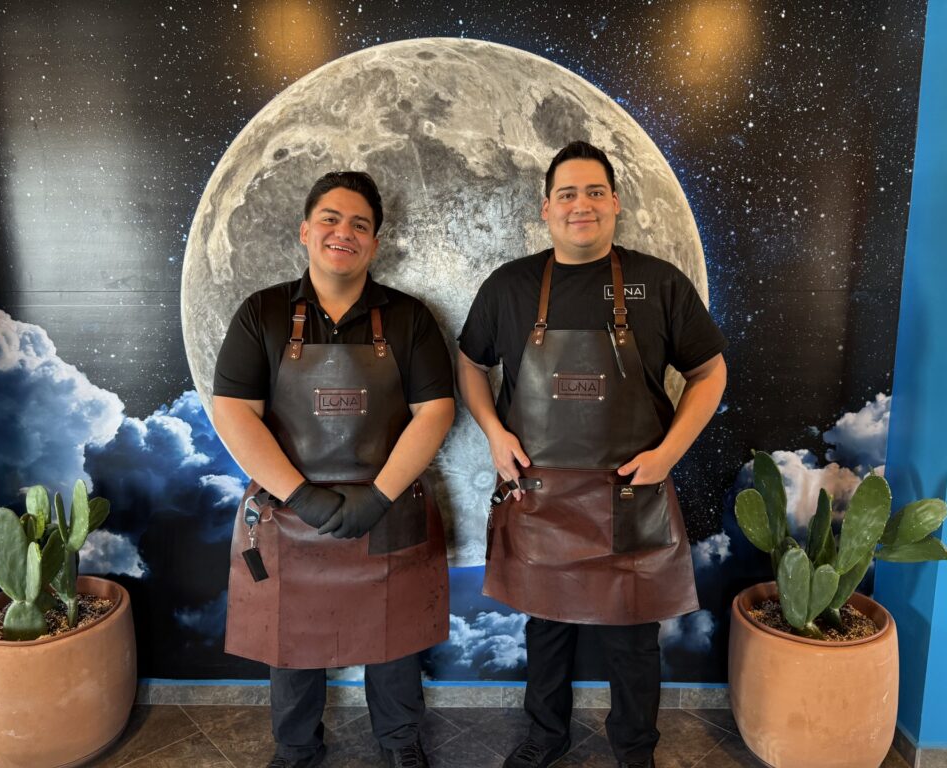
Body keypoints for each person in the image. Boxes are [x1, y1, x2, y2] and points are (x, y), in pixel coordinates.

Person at [457, 142, 727, 768]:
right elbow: (471, 363)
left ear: (616, 204)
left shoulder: (658, 283)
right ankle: (543, 739)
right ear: (547, 208)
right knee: (546, 631)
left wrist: (668, 453)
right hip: (539, 495)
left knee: (633, 638)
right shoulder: (510, 286)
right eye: (568, 194)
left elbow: (710, 372)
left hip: (630, 492)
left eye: (595, 192)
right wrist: (494, 433)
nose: (582, 205)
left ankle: (635, 750)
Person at [213, 171, 454, 768]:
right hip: (291, 516)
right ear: (305, 230)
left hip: (389, 511)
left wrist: (378, 495)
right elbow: (234, 413)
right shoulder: (261, 313)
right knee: (293, 644)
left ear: (374, 242)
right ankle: (295, 750)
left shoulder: (410, 318)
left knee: (395, 641)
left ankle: (401, 745)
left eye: (359, 225)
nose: (343, 232)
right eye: (330, 218)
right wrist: (300, 495)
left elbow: (435, 411)